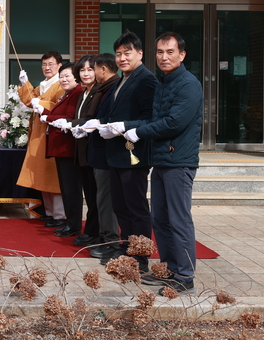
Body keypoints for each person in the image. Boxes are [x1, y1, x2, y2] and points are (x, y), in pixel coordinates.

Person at [124, 32, 203, 295]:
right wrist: (125, 127)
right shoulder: (164, 82)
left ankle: (185, 275)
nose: (164, 57)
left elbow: (174, 122)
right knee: (161, 218)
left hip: (179, 161)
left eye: (170, 52)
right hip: (162, 160)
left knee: (178, 219)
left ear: (182, 55)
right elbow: (153, 119)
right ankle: (168, 269)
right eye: (159, 52)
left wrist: (139, 133)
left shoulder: (188, 84)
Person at [95, 31, 157, 273]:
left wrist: (124, 127)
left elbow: (150, 118)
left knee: (136, 207)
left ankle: (140, 257)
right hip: (116, 154)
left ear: (139, 53)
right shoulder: (122, 80)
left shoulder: (146, 79)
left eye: (127, 53)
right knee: (120, 205)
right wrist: (98, 125)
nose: (122, 58)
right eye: (119, 54)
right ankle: (126, 247)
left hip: (135, 153)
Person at [71, 54, 120, 251]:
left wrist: (90, 123)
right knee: (96, 198)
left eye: (92, 69)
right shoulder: (99, 89)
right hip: (93, 151)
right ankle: (102, 235)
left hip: (105, 152)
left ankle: (108, 239)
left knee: (104, 200)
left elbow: (98, 117)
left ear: (102, 70)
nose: (88, 73)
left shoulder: (108, 88)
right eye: (83, 70)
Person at [16, 51, 66, 227]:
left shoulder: (61, 84)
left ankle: (60, 215)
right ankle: (50, 212)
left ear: (59, 65)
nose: (47, 67)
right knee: (42, 174)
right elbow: (31, 101)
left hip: (53, 134)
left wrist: (41, 104)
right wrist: (25, 83)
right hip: (39, 134)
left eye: (51, 64)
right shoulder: (44, 85)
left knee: (53, 175)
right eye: (44, 64)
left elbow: (60, 106)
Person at [42, 63, 84, 237]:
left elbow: (69, 117)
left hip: (68, 148)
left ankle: (73, 224)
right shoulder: (67, 94)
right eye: (61, 76)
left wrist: (48, 116)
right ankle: (70, 222)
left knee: (71, 188)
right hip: (61, 149)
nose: (63, 79)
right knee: (66, 188)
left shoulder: (77, 93)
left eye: (67, 76)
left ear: (76, 77)